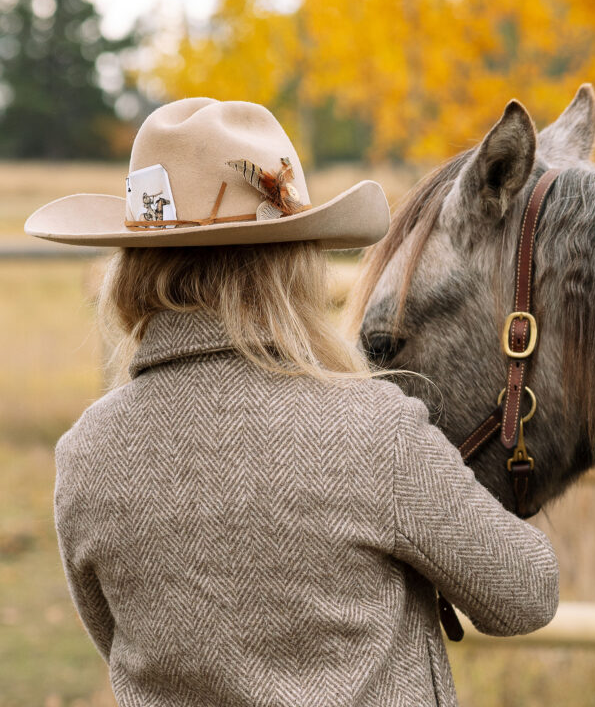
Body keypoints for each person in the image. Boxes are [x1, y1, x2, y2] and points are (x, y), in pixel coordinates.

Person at [25, 97, 559, 707]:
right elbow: (526, 594)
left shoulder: (87, 455)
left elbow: (111, 636)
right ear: (293, 259)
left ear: (132, 265)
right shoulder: (373, 432)